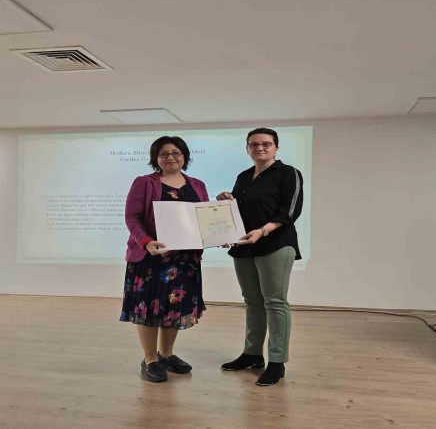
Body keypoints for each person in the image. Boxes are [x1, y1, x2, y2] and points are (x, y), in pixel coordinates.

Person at [217, 127, 304, 386]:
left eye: (266, 143)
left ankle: (277, 362)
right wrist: (226, 203)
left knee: (275, 302)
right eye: (254, 144)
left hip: (276, 244)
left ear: (276, 148)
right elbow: (239, 212)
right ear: (247, 149)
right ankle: (252, 354)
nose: (260, 148)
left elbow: (290, 211)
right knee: (252, 302)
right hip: (245, 245)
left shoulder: (288, 173)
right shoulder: (244, 176)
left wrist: (263, 231)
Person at [120, 136, 209, 383]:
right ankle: (150, 359)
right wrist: (146, 242)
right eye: (164, 153)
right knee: (148, 308)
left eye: (176, 152)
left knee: (174, 307)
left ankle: (166, 354)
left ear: (185, 156)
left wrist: (219, 233)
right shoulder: (143, 182)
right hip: (150, 257)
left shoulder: (198, 185)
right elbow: (132, 217)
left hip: (185, 258)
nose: (170, 157)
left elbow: (203, 219)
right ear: (155, 158)